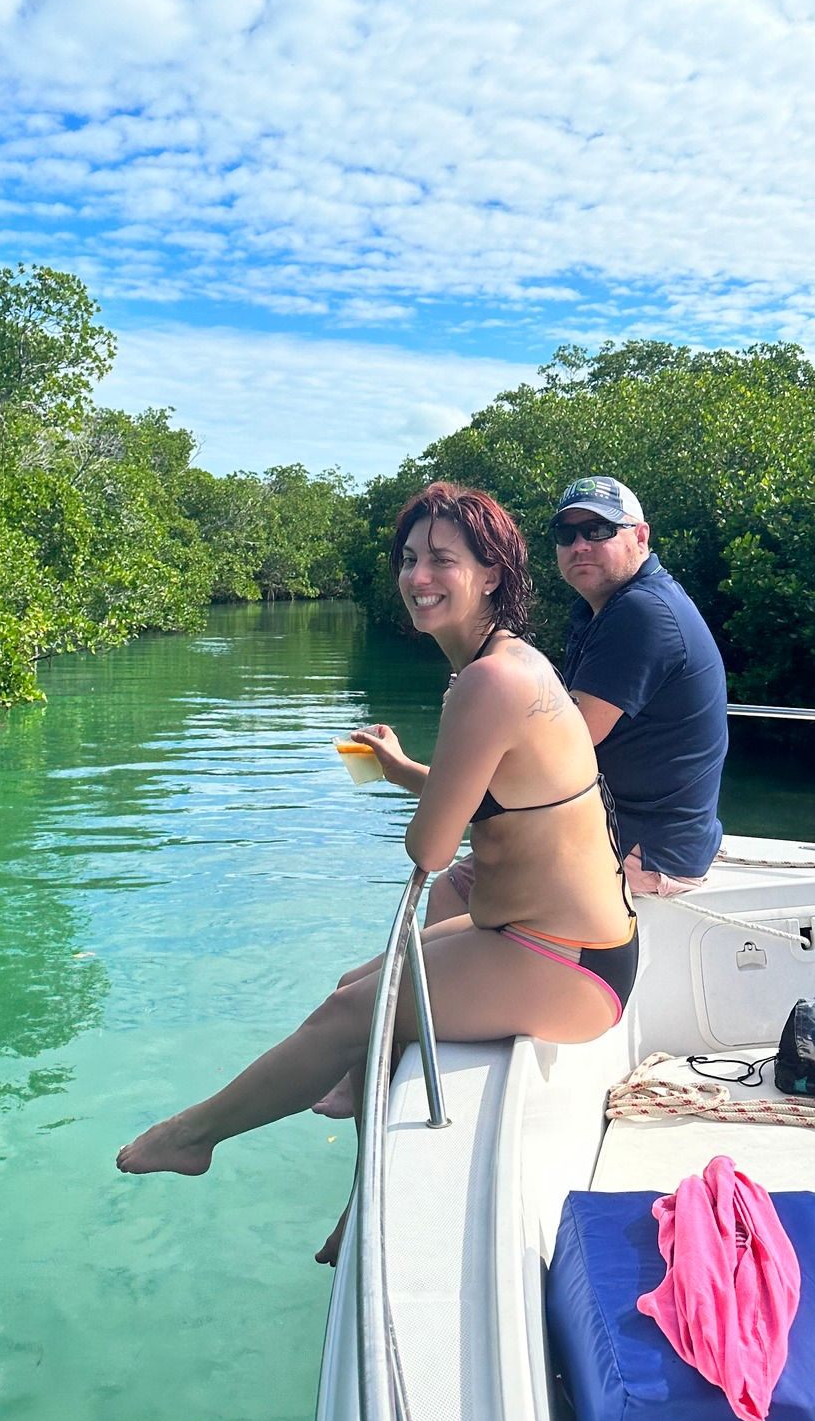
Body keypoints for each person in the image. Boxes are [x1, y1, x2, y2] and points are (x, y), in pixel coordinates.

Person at [117, 483, 636, 1246]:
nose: (418, 576)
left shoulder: (489, 683)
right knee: (354, 989)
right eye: (409, 558)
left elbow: (429, 849)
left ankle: (194, 1136)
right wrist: (398, 771)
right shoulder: (500, 664)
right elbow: (494, 795)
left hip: (570, 963)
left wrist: (410, 800)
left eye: (443, 560)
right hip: (539, 939)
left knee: (351, 1014)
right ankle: (362, 1203)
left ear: (492, 574)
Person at [549, 475, 726, 896]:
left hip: (642, 853)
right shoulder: (603, 609)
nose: (579, 545)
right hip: (626, 831)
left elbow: (563, 742)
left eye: (598, 530)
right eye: (566, 533)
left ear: (640, 535)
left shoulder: (642, 612)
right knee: (466, 880)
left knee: (466, 888)